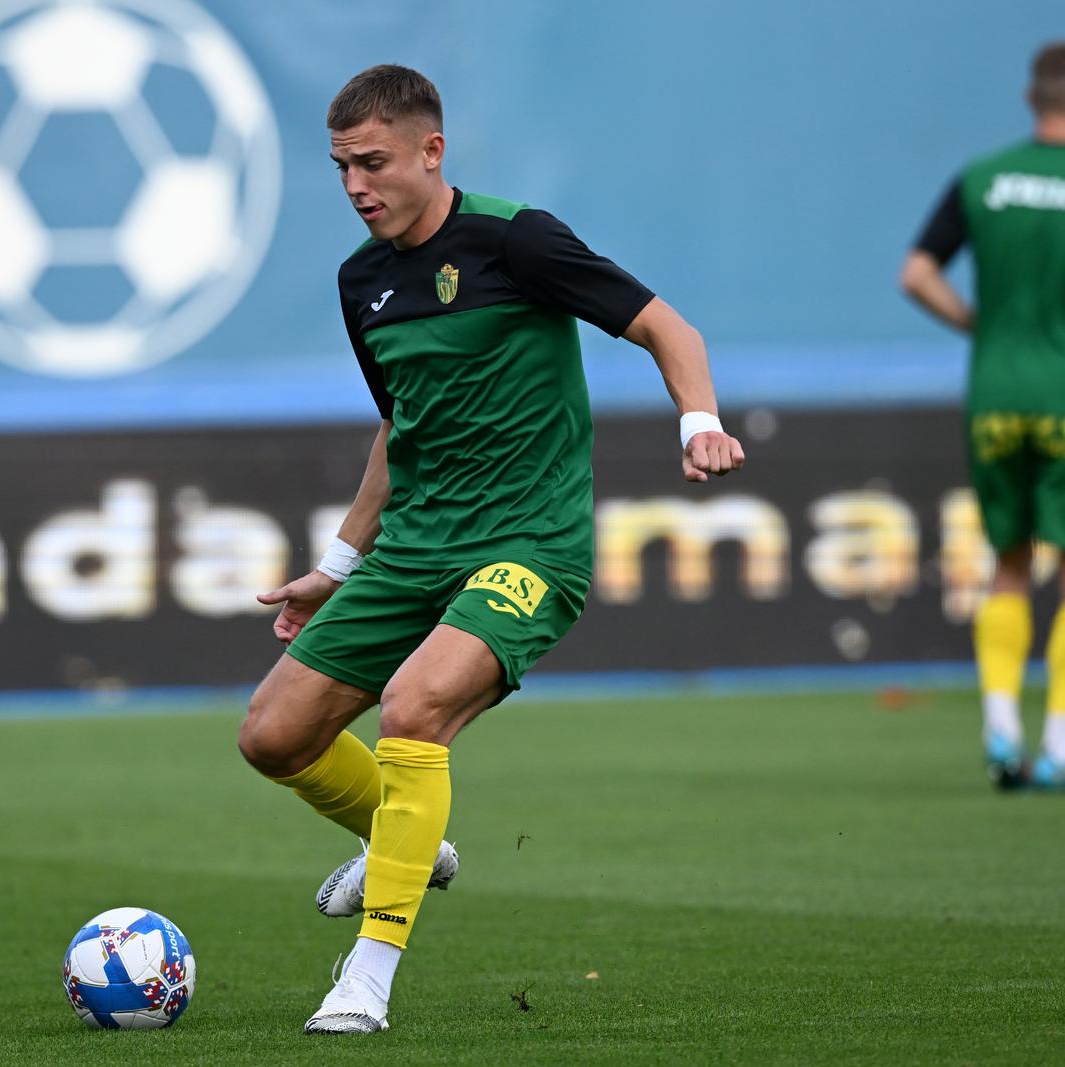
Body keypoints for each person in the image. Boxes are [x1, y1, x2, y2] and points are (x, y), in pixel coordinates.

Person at [236, 64, 743, 1034]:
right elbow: (402, 429)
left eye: (373, 162)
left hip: (525, 545)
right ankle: (412, 842)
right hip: (413, 546)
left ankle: (367, 976)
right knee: (272, 734)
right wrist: (338, 563)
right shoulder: (362, 282)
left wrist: (697, 422)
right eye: (341, 166)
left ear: (431, 151)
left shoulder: (518, 238)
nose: (355, 184)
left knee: (414, 705)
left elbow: (664, 325)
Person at [900, 41, 1065, 794]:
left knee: (1009, 564)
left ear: (1031, 99)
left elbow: (916, 273)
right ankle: (1059, 750)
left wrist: (978, 325)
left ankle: (1001, 732)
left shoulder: (982, 179)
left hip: (995, 392)